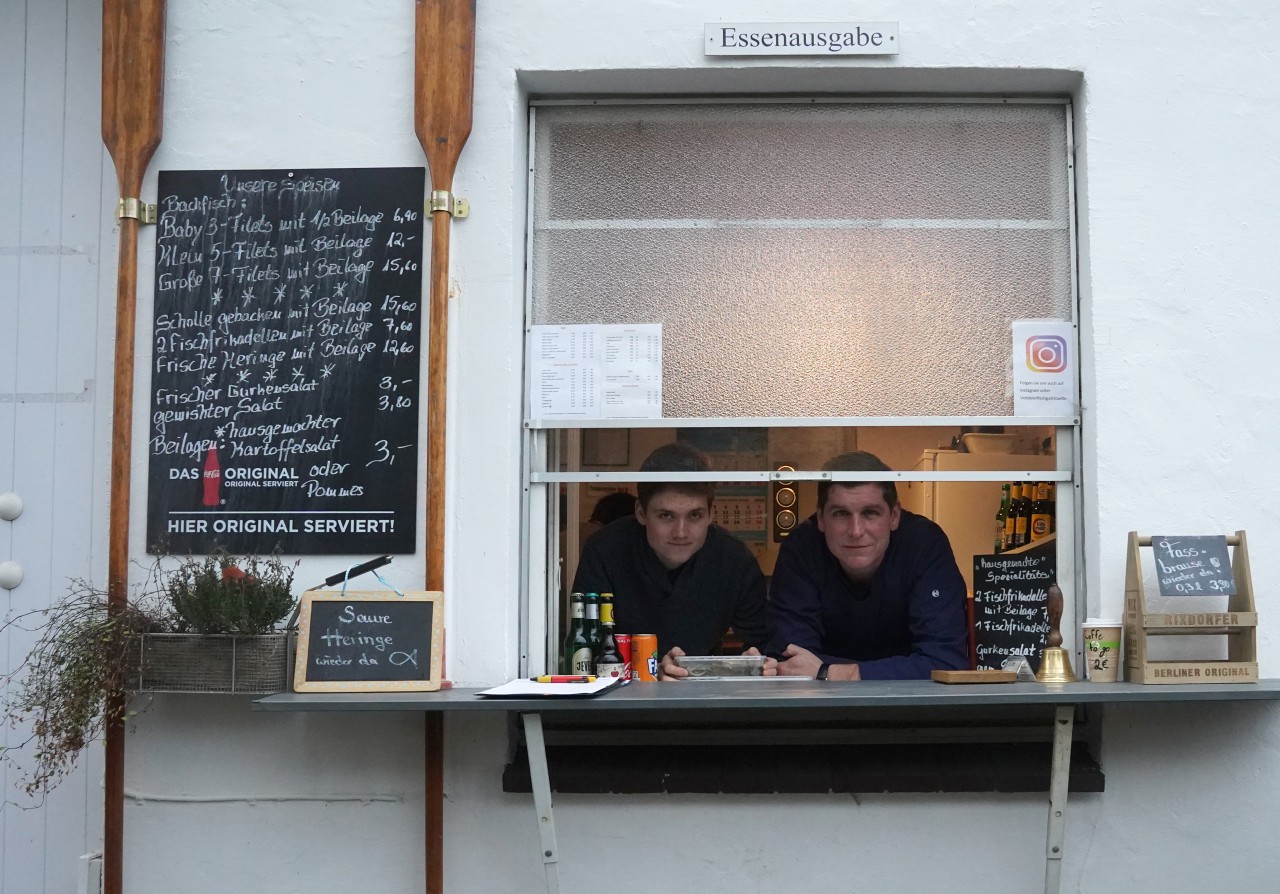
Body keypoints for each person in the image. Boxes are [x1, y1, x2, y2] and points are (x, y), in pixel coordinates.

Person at [572, 442, 773, 679]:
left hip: (704, 698)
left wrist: (752, 663)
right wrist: (650, 672)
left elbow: (765, 645)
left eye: (695, 515)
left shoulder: (734, 560)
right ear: (640, 513)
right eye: (666, 515)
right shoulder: (605, 551)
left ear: (711, 514)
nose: (681, 532)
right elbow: (585, 654)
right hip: (617, 705)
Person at [768, 451, 968, 680]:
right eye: (841, 513)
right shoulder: (802, 549)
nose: (856, 531)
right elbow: (791, 663)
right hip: (822, 708)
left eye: (870, 513)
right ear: (821, 518)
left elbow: (946, 664)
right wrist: (898, 669)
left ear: (894, 516)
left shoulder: (923, 543)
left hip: (911, 707)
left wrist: (830, 671)